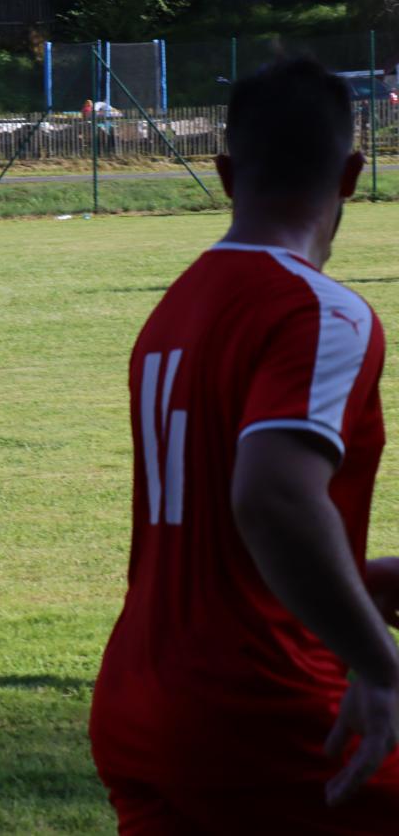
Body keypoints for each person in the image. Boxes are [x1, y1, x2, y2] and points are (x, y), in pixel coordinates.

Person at [89, 58, 399, 833]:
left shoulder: (172, 311)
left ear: (226, 175)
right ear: (352, 175)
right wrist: (376, 660)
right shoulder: (321, 312)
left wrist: (354, 581)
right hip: (269, 708)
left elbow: (215, 541)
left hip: (140, 702)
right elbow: (272, 497)